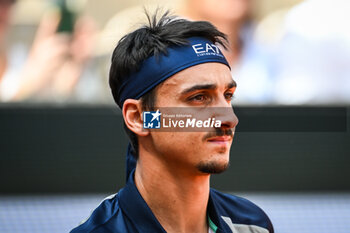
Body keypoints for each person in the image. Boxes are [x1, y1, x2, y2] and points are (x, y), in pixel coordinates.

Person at [71, 12, 274, 233]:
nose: (229, 119)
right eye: (198, 98)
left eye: (227, 96)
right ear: (139, 118)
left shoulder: (252, 225)